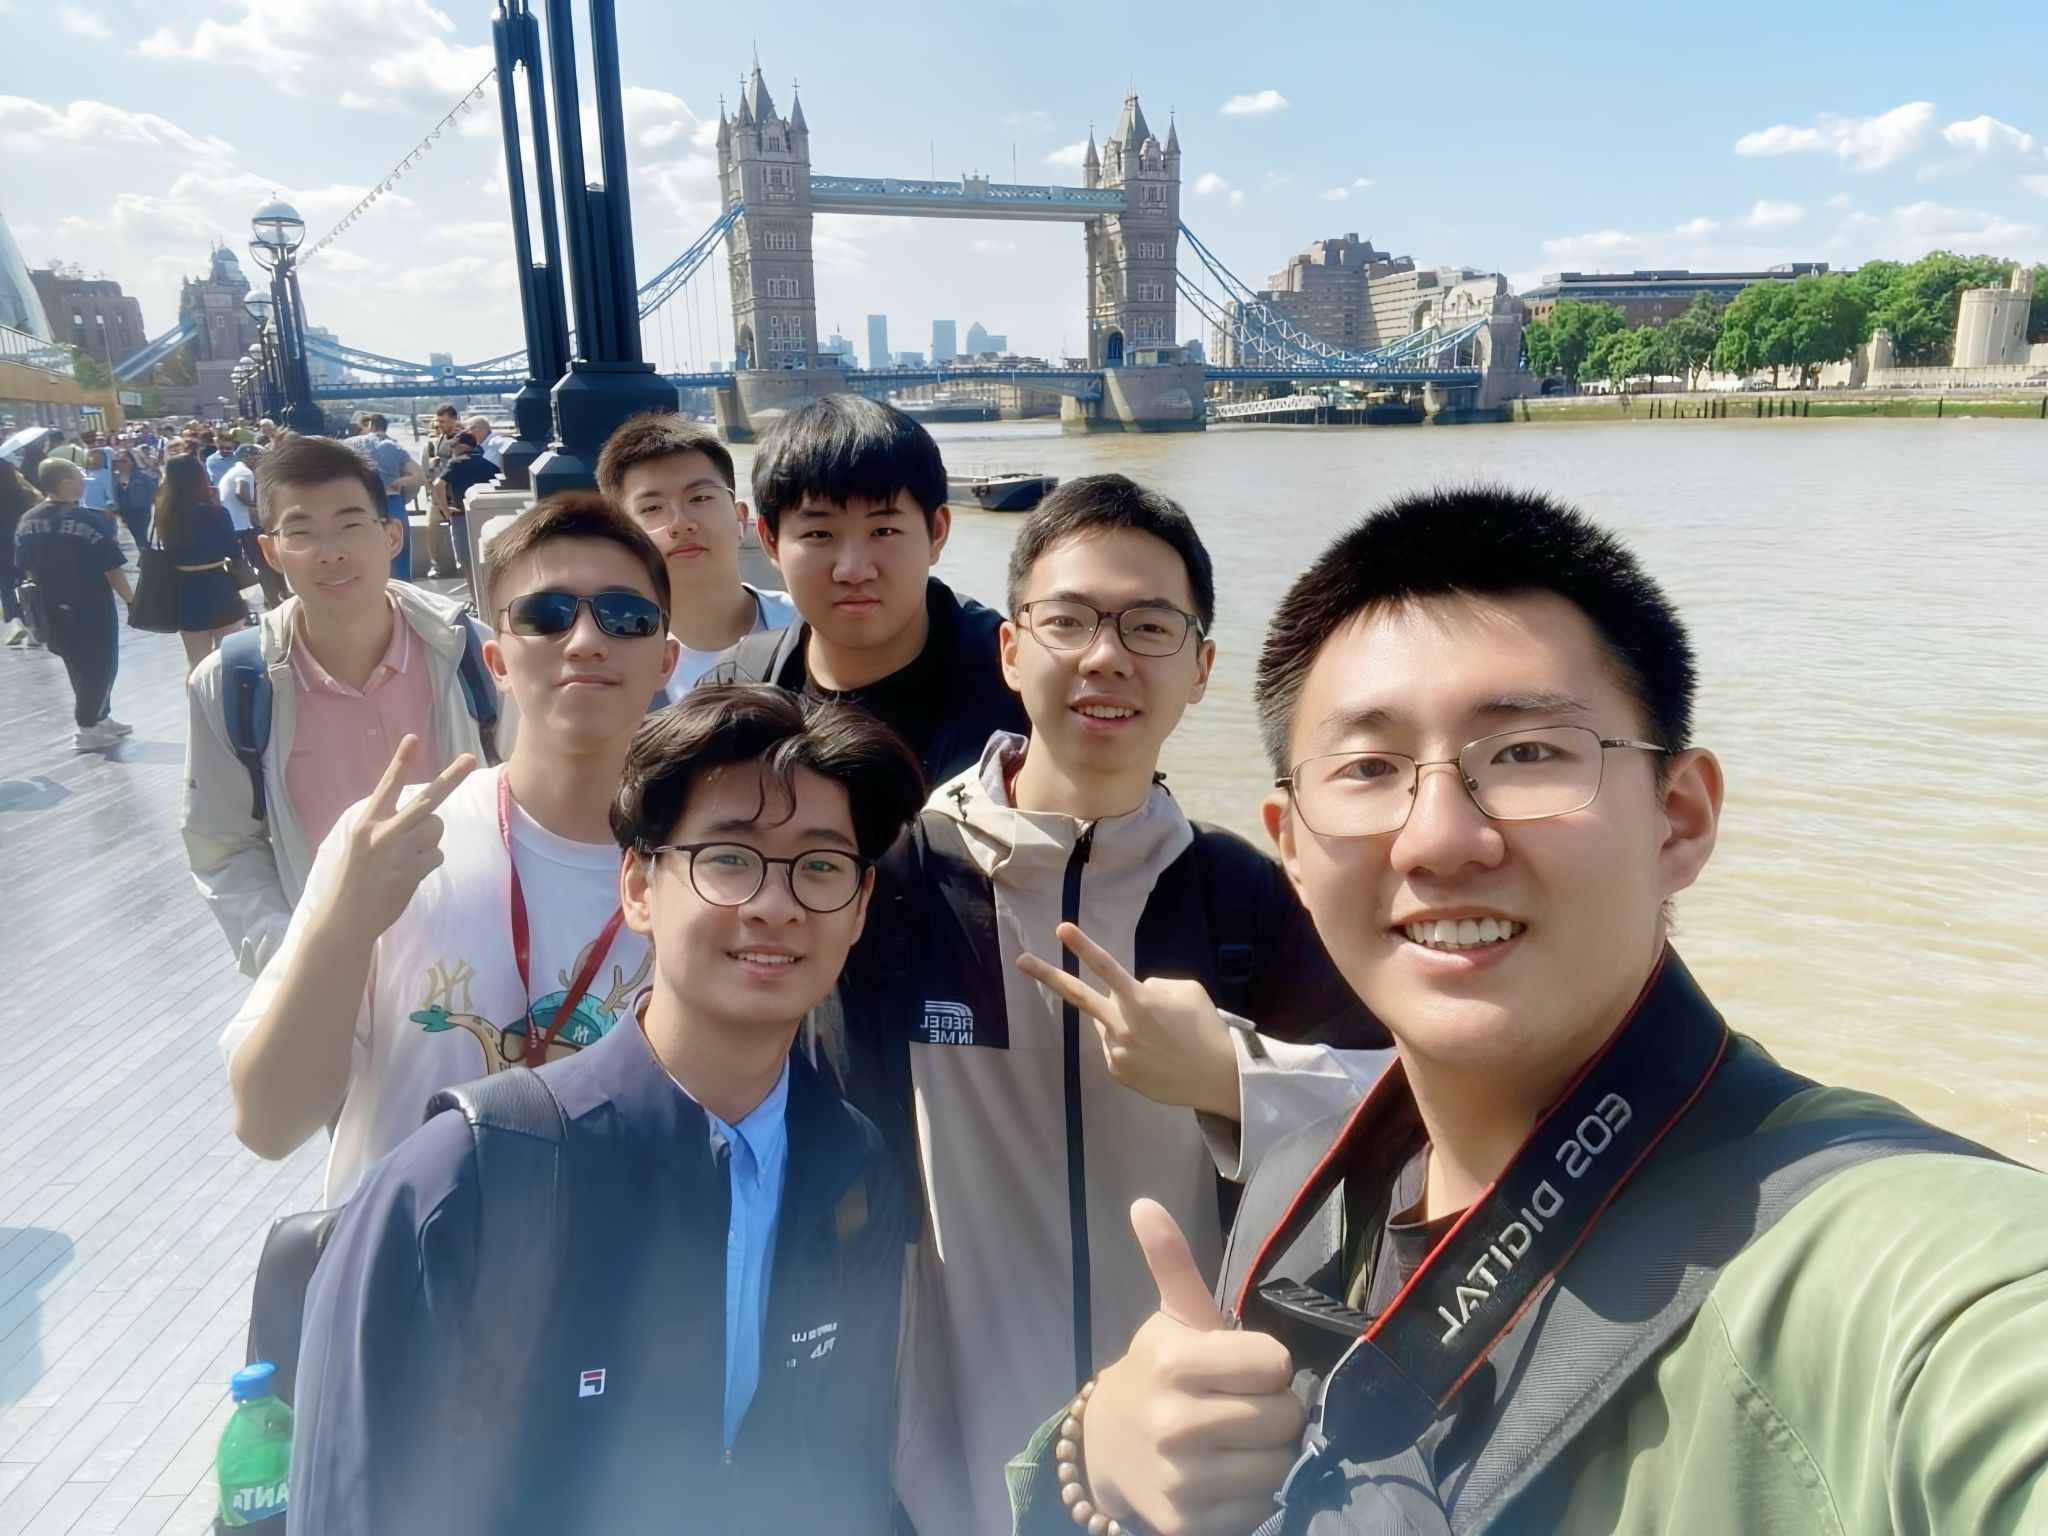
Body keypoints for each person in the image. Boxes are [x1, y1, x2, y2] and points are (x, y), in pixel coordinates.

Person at [1010, 488, 2048, 1536]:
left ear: (1678, 819)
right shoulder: (1298, 1203)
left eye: (1525, 754)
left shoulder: (1878, 1276)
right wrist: (1091, 1466)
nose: (1437, 838)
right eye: (1367, 769)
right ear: (1292, 848)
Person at [836, 475, 1387, 1536]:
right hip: (940, 1464)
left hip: (1189, 1466)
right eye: (1070, 620)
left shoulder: (1245, 898)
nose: (1106, 656)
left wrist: (1230, 1076)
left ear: (1200, 669)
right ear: (1010, 650)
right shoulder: (896, 880)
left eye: (1149, 626)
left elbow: (1419, 1116)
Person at [290, 685, 926, 1534]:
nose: (776, 904)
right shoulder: (463, 1185)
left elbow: (847, 1483)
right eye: (729, 858)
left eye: (820, 868)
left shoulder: (852, 1172)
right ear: (637, 886)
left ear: (858, 908)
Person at [219, 492, 680, 1205]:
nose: (586, 640)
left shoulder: (705, 869)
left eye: (625, 616)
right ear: (497, 660)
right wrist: (345, 926)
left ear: (666, 660)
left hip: (615, 1265)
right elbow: (268, 1124)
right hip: (404, 1261)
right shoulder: (391, 841)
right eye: (546, 614)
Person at [183, 434, 502, 977]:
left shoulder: (473, 654)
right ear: (269, 551)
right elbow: (222, 845)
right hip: (332, 979)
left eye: (351, 525)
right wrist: (293, 957)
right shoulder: (233, 683)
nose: (330, 552)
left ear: (392, 535)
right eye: (301, 532)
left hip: (481, 955)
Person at [700, 393, 1028, 783]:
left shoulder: (1026, 689)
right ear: (770, 541)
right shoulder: (732, 694)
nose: (853, 571)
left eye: (883, 531)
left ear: (936, 532)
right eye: (819, 534)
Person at [595, 411, 795, 702]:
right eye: (652, 508)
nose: (680, 523)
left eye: (700, 498)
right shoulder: (610, 668)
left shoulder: (808, 627)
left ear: (740, 518)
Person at [13, 458, 134, 749]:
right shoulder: (84, 519)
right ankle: (86, 726)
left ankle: (100, 717)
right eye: (78, 478)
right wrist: (132, 600)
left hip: (49, 604)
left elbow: (23, 564)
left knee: (75, 663)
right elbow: (111, 567)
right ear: (64, 483)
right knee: (101, 665)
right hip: (90, 603)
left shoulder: (27, 521)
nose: (82, 483)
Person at [151, 452, 248, 671]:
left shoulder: (164, 516)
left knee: (196, 663)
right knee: (230, 660)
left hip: (185, 590)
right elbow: (234, 553)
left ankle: (196, 696)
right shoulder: (217, 513)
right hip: (219, 586)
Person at [343, 412, 424, 581]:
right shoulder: (392, 446)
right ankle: (401, 591)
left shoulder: (350, 444)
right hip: (392, 502)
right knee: (399, 553)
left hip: (361, 504)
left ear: (370, 425)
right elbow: (418, 475)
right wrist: (396, 482)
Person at [218, 444, 286, 607]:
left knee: (248, 567)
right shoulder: (245, 472)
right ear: (250, 458)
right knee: (266, 565)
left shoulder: (231, 472)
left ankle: (260, 602)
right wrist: (256, 506)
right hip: (244, 528)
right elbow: (240, 491)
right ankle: (275, 602)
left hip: (233, 527)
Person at [1, 448, 46, 647]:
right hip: (18, 537)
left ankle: (16, 619)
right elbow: (39, 497)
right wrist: (20, 479)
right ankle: (32, 624)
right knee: (25, 580)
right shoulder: (17, 488)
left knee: (5, 584)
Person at [110, 446, 158, 550]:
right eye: (118, 462)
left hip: (141, 511)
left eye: (124, 461)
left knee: (140, 537)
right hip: (124, 512)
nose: (121, 464)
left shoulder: (142, 477)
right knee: (135, 538)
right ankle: (145, 554)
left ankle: (146, 555)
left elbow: (152, 491)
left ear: (132, 462)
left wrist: (147, 505)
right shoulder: (114, 478)